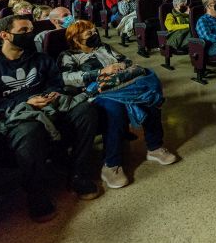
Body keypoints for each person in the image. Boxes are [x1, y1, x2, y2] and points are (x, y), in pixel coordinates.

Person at [0, 15, 101, 222]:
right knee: (30, 131)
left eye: (31, 30)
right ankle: (36, 192)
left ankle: (78, 173)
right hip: (17, 115)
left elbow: (56, 84)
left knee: (85, 110)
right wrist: (27, 103)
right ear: (5, 35)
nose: (29, 34)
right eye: (23, 31)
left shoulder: (41, 59)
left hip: (49, 107)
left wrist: (51, 95)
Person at [58, 21, 177, 189]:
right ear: (76, 39)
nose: (94, 35)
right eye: (88, 34)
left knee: (150, 99)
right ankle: (111, 164)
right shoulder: (69, 55)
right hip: (99, 92)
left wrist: (122, 65)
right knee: (115, 110)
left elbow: (125, 59)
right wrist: (100, 72)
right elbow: (66, 78)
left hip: (124, 85)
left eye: (94, 31)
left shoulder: (104, 47)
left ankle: (155, 147)